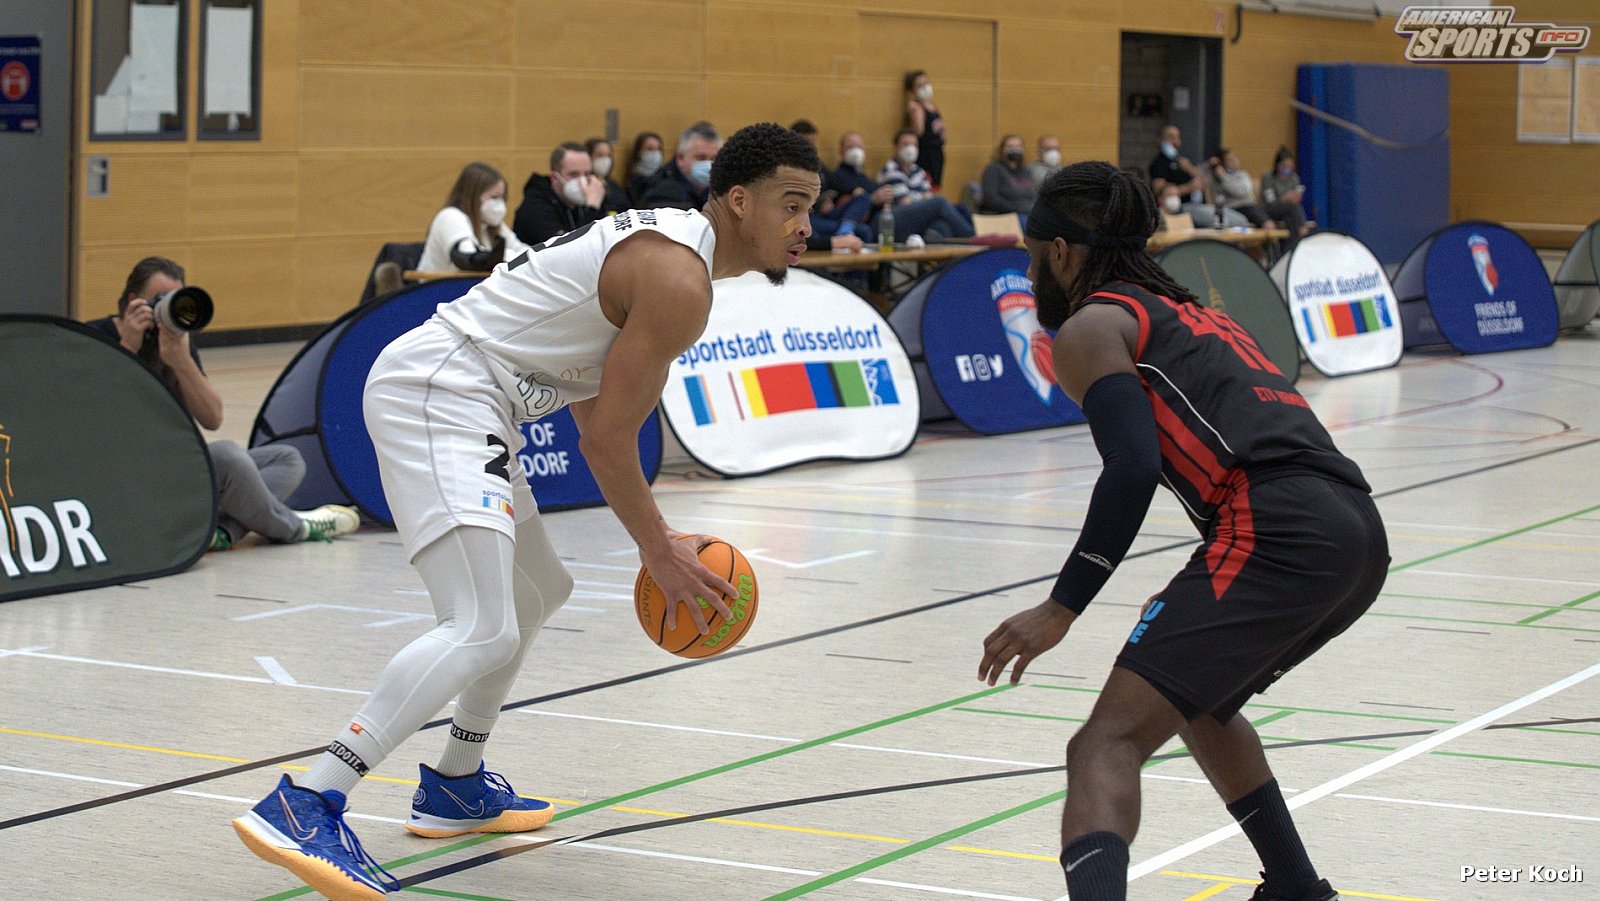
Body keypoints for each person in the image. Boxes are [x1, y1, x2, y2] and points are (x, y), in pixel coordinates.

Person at [231, 123, 823, 900]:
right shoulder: (680, 279)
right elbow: (608, 442)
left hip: (474, 397)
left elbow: (589, 404)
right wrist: (660, 547)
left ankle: (455, 781)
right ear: (739, 201)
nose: (806, 225)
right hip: (443, 389)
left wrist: (656, 537)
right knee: (481, 624)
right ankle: (308, 800)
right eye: (791, 204)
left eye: (811, 207)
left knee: (540, 590)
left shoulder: (674, 249)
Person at [978, 161, 1386, 901]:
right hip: (1356, 528)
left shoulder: (1093, 325)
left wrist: (1061, 606)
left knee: (1103, 744)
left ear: (1060, 253)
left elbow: (1132, 468)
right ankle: (1295, 887)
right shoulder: (1196, 313)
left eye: (1032, 258)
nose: (1032, 274)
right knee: (1194, 692)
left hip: (1278, 526)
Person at [86, 257, 360, 552]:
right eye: (159, 300)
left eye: (174, 299)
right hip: (128, 478)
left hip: (177, 468)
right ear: (133, 301)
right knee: (229, 457)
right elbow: (97, 417)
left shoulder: (174, 341)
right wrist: (127, 349)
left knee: (287, 459)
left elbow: (212, 417)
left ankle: (221, 531)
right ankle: (297, 527)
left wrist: (181, 361)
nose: (167, 308)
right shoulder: (94, 338)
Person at [418, 162, 528, 273]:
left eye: (502, 197)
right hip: (437, 283)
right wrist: (506, 256)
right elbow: (467, 258)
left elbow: (522, 251)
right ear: (473, 196)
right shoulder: (450, 217)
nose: (500, 204)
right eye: (494, 197)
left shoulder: (492, 225)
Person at [877, 128, 974, 243]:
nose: (910, 149)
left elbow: (928, 197)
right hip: (894, 218)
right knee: (940, 203)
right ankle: (974, 240)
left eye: (914, 145)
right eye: (906, 145)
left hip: (915, 217)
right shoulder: (891, 169)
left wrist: (923, 199)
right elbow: (905, 202)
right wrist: (924, 198)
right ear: (896, 148)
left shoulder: (918, 171)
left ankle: (938, 245)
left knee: (954, 214)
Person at [511, 141, 608, 246]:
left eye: (587, 174)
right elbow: (569, 249)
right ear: (554, 178)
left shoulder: (584, 200)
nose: (582, 181)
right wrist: (592, 209)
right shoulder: (535, 207)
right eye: (574, 174)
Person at [790, 120, 864, 253]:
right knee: (861, 231)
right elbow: (794, 203)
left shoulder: (817, 163)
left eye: (812, 142)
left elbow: (835, 182)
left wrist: (851, 191)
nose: (810, 146)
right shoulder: (788, 170)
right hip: (809, 215)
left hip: (828, 213)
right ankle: (842, 235)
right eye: (806, 141)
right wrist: (819, 204)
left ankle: (846, 227)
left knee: (863, 198)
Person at [641, 121, 719, 210]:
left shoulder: (715, 190)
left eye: (713, 158)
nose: (709, 165)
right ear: (681, 158)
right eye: (701, 158)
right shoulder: (664, 194)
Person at [903, 69, 946, 190]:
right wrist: (917, 112)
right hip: (925, 153)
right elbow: (918, 131)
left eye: (926, 83)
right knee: (926, 187)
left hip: (937, 152)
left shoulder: (933, 106)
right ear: (913, 90)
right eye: (920, 85)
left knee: (936, 186)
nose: (925, 87)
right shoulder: (915, 106)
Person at [1207, 147, 1269, 227]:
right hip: (1232, 209)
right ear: (1223, 163)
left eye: (1235, 157)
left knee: (1268, 222)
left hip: (1247, 206)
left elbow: (1241, 192)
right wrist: (1212, 165)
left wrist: (1224, 178)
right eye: (1229, 160)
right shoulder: (1216, 177)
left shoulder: (1242, 174)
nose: (1235, 161)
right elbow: (1200, 174)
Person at [1261, 147, 1309, 248]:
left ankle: (1290, 248)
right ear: (1278, 165)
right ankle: (1302, 229)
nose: (1287, 168)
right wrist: (1283, 198)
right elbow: (1270, 201)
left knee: (1290, 219)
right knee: (1293, 208)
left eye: (1290, 166)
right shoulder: (1268, 178)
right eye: (1285, 165)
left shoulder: (1294, 178)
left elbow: (1296, 201)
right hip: (1271, 208)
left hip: (1288, 211)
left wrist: (1296, 197)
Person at [979, 133, 1037, 216]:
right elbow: (990, 199)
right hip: (1004, 214)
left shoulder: (1025, 171)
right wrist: (1017, 208)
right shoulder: (994, 169)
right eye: (1010, 147)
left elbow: (1032, 195)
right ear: (1002, 150)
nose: (1015, 149)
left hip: (1026, 212)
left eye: (1018, 146)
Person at [583, 136, 633, 214]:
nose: (605, 160)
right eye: (600, 155)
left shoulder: (613, 184)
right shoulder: (584, 186)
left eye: (608, 156)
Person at [624, 130, 665, 204]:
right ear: (639, 152)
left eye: (658, 149)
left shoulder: (666, 176)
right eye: (650, 149)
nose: (655, 153)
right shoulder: (634, 183)